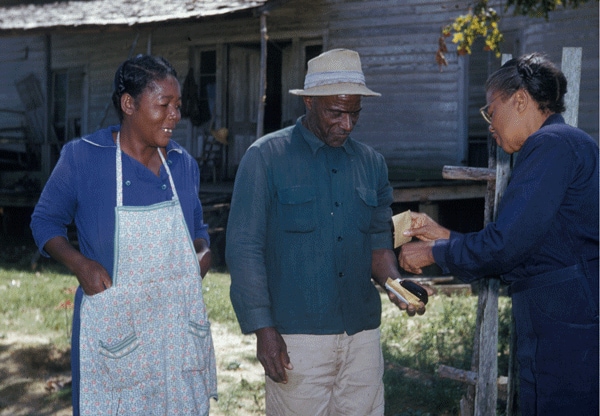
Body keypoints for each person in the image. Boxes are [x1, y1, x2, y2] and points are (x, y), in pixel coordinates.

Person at [225, 48, 432, 416]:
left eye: (355, 113)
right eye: (335, 112)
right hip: (296, 338)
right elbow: (244, 249)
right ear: (309, 101)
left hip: (362, 337)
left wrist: (396, 286)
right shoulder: (266, 158)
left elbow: (378, 245)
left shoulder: (372, 164)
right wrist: (263, 330)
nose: (347, 124)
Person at [399, 52, 598, 416]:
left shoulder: (551, 144)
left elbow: (505, 247)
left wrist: (431, 253)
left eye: (491, 111)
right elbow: (525, 243)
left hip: (569, 326)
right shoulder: (564, 144)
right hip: (564, 316)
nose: (490, 124)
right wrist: (440, 234)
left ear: (519, 100)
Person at [30, 55, 217, 415]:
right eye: (164, 105)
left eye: (177, 106)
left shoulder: (182, 164)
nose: (175, 116)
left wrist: (202, 250)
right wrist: (80, 264)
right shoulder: (84, 158)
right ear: (129, 104)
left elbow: (197, 229)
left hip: (176, 326)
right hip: (117, 328)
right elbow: (44, 221)